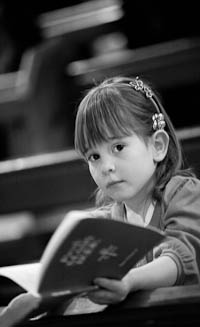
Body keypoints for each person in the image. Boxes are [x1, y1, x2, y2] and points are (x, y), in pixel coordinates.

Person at [1, 75, 200, 325]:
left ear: (157, 146)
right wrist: (36, 299)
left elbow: (181, 257)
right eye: (94, 156)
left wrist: (129, 281)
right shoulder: (103, 224)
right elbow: (74, 281)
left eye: (118, 147)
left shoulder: (183, 193)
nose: (106, 166)